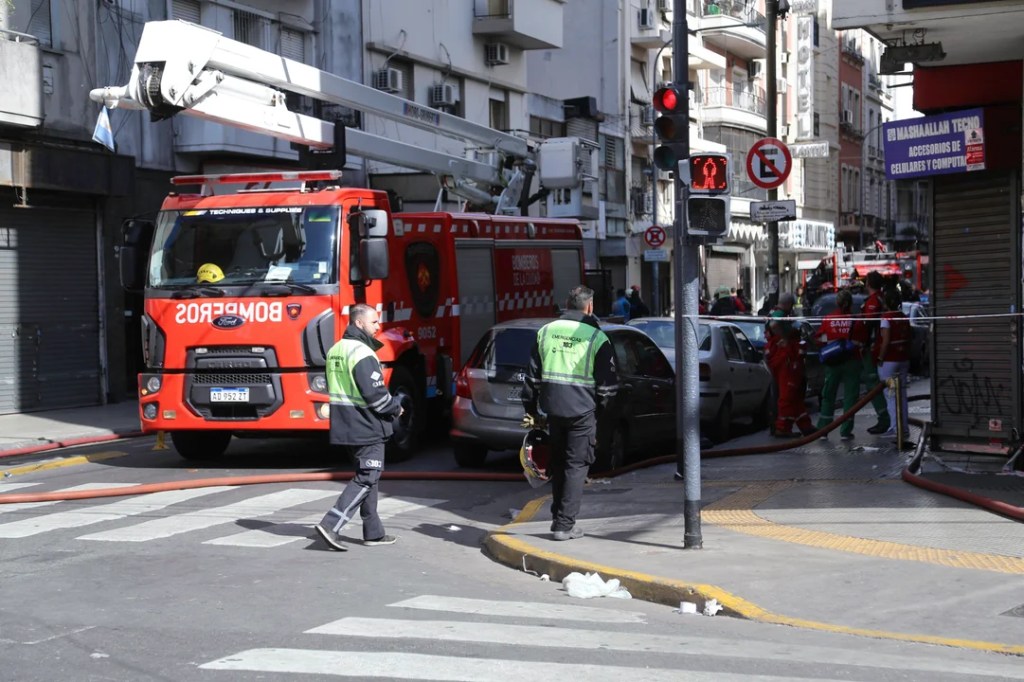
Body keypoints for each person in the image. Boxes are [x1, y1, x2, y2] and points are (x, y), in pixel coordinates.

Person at [522, 286, 618, 541]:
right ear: (589, 307)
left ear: (567, 304)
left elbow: (531, 378)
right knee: (576, 466)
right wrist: (599, 417)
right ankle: (564, 525)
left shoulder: (546, 332)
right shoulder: (596, 338)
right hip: (582, 411)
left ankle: (558, 519)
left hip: (553, 409)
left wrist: (531, 412)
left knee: (559, 463)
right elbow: (608, 389)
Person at [315, 303, 404, 551]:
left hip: (347, 425)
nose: (378, 327)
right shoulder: (362, 353)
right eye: (374, 322)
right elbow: (375, 395)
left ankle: (373, 533)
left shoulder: (336, 350)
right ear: (359, 323)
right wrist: (395, 407)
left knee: (369, 478)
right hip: (367, 425)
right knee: (367, 478)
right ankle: (331, 524)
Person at [815, 288, 861, 441]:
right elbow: (862, 340)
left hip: (832, 361)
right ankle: (846, 431)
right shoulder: (854, 319)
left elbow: (819, 338)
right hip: (851, 361)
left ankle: (823, 429)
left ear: (837, 302)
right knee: (850, 397)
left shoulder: (829, 318)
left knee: (828, 395)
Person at [875, 288, 912, 448]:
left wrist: (880, 358)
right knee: (902, 394)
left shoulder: (886, 318)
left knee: (890, 395)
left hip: (889, 360)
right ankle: (904, 428)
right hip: (904, 359)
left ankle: (894, 428)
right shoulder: (903, 317)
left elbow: (886, 340)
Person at [765, 321, 815, 438]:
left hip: (791, 371)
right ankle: (782, 428)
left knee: (795, 400)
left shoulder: (779, 342)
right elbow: (795, 355)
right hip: (789, 372)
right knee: (787, 400)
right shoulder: (780, 343)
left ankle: (805, 425)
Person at [857, 271, 892, 434]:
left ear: (869, 283)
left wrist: (863, 343)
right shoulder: (882, 298)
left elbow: (869, 325)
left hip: (872, 348)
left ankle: (884, 419)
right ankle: (889, 418)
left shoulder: (873, 301)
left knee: (873, 385)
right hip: (880, 347)